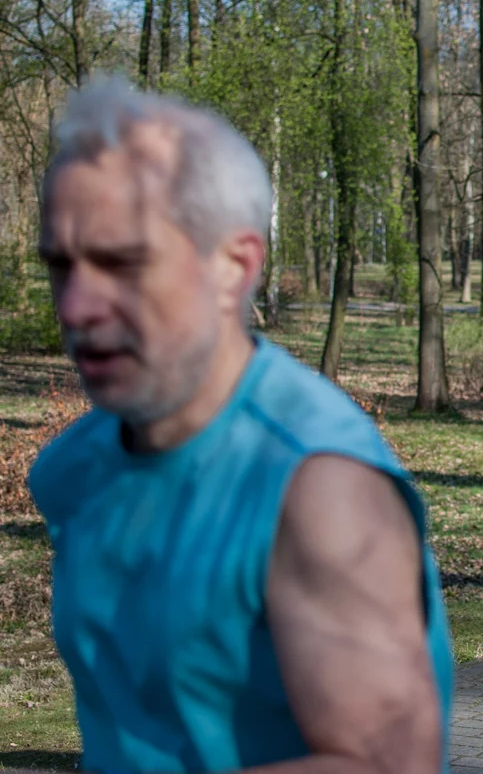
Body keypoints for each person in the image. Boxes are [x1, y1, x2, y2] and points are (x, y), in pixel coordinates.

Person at [23, 79, 453, 774]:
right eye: (60, 265)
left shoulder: (319, 491)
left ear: (235, 266)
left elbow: (388, 763)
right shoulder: (72, 467)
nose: (76, 305)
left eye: (122, 262)